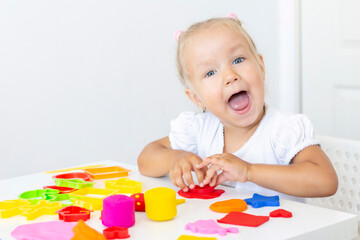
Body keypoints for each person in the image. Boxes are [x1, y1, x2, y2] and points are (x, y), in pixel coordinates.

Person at [137, 14, 338, 200]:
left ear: (261, 67)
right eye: (210, 73)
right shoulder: (198, 129)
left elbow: (326, 181)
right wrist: (176, 158)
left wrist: (249, 171)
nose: (230, 76)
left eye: (238, 60)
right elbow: (146, 158)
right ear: (196, 98)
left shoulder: (282, 130)